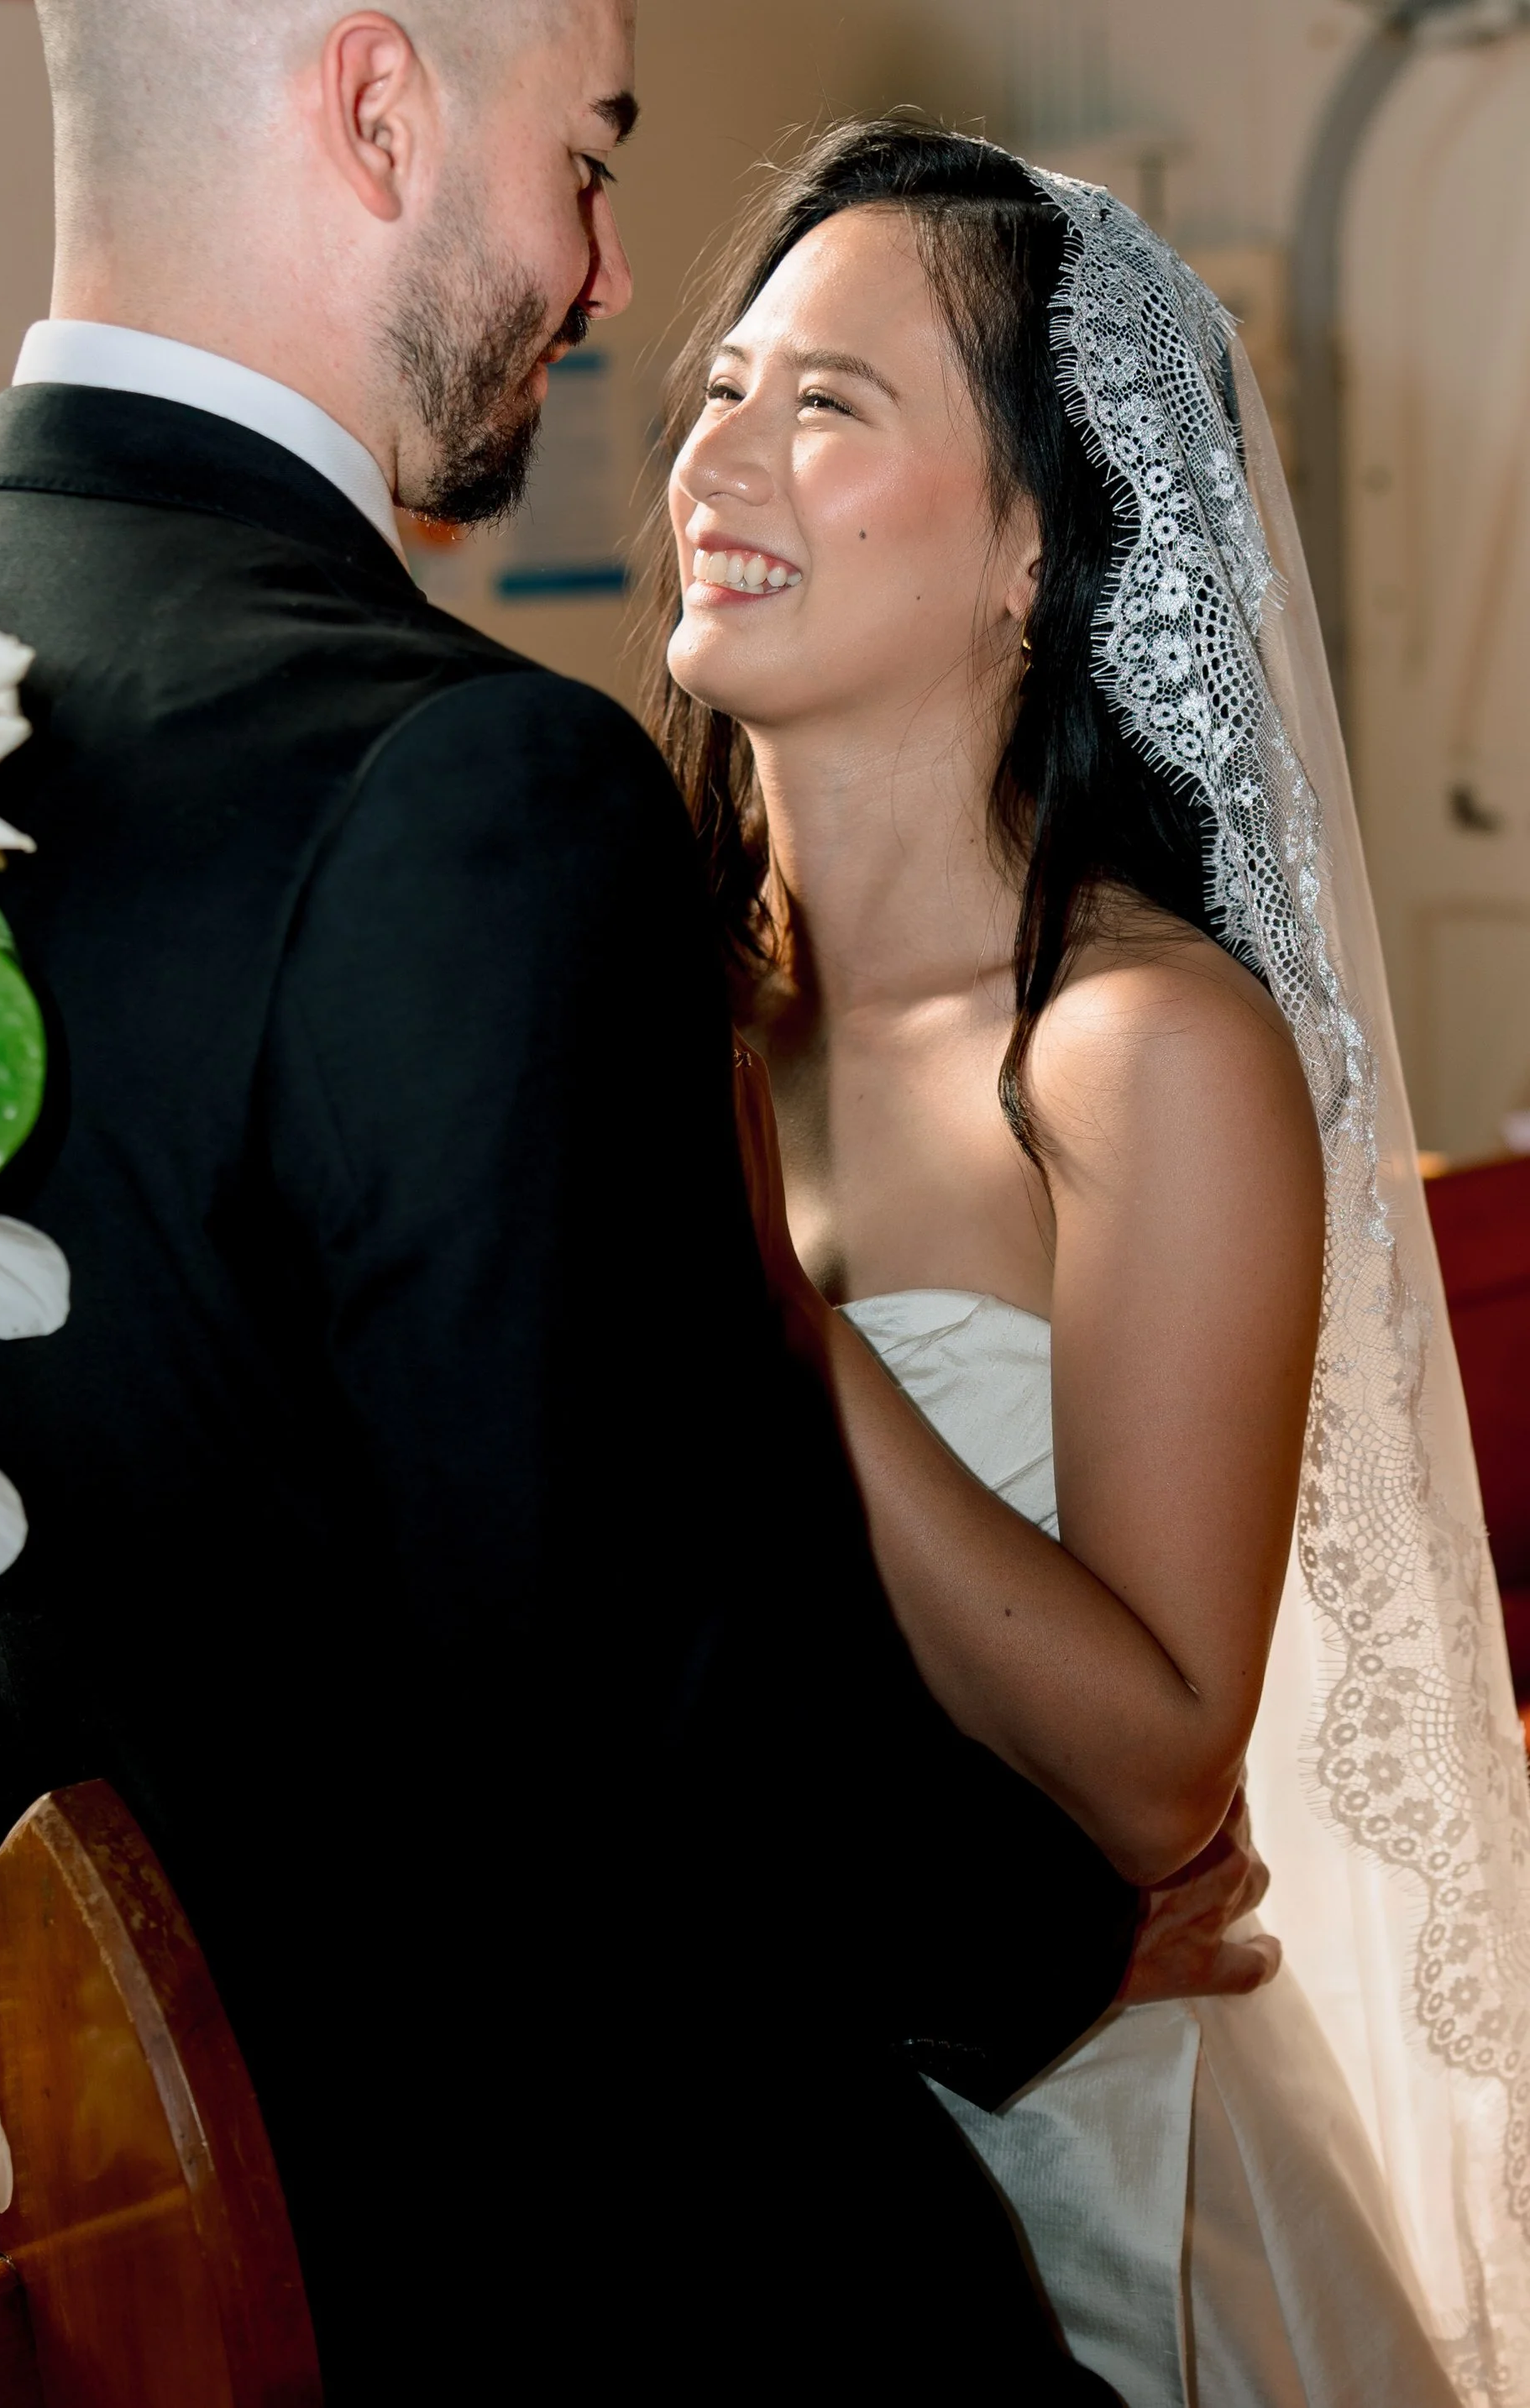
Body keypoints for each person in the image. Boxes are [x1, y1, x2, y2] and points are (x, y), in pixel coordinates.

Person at [0, 13, 1282, 2396]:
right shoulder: (461, 785)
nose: (609, 284)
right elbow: (650, 1700)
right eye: (586, 162)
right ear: (378, 106)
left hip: (146, 2247)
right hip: (596, 2262)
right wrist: (1060, 1941)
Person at [643, 118, 1530, 2406]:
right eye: (724, 388)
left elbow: (1153, 1780)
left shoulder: (1138, 1053)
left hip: (1108, 2191)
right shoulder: (640, 996)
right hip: (740, 2132)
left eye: (830, 405)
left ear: (1035, 551)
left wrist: (777, 1311)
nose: (719, 458)